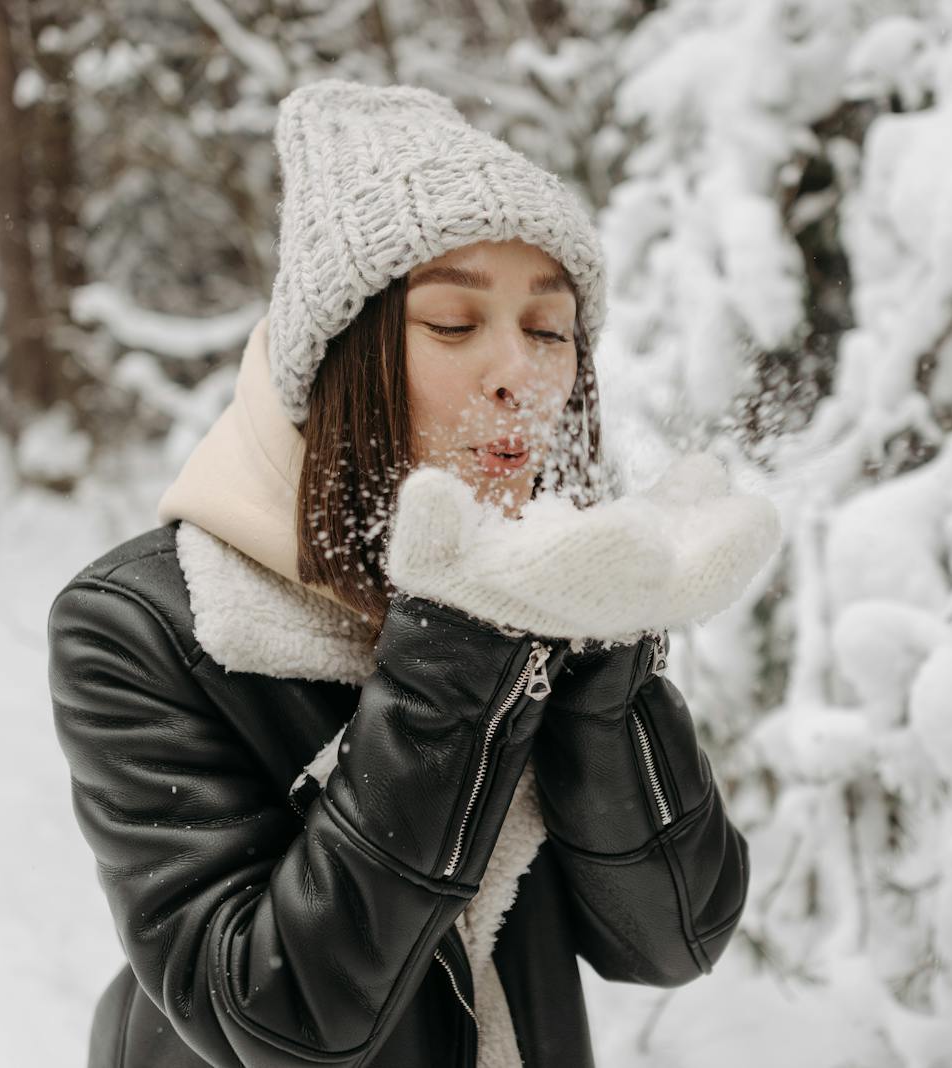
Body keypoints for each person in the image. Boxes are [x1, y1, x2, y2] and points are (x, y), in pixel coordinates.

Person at [47, 78, 780, 1068]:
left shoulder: (540, 583)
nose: (515, 372)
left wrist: (609, 667)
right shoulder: (146, 627)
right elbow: (282, 1018)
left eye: (548, 329)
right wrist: (455, 654)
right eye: (452, 324)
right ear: (342, 354)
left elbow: (671, 939)